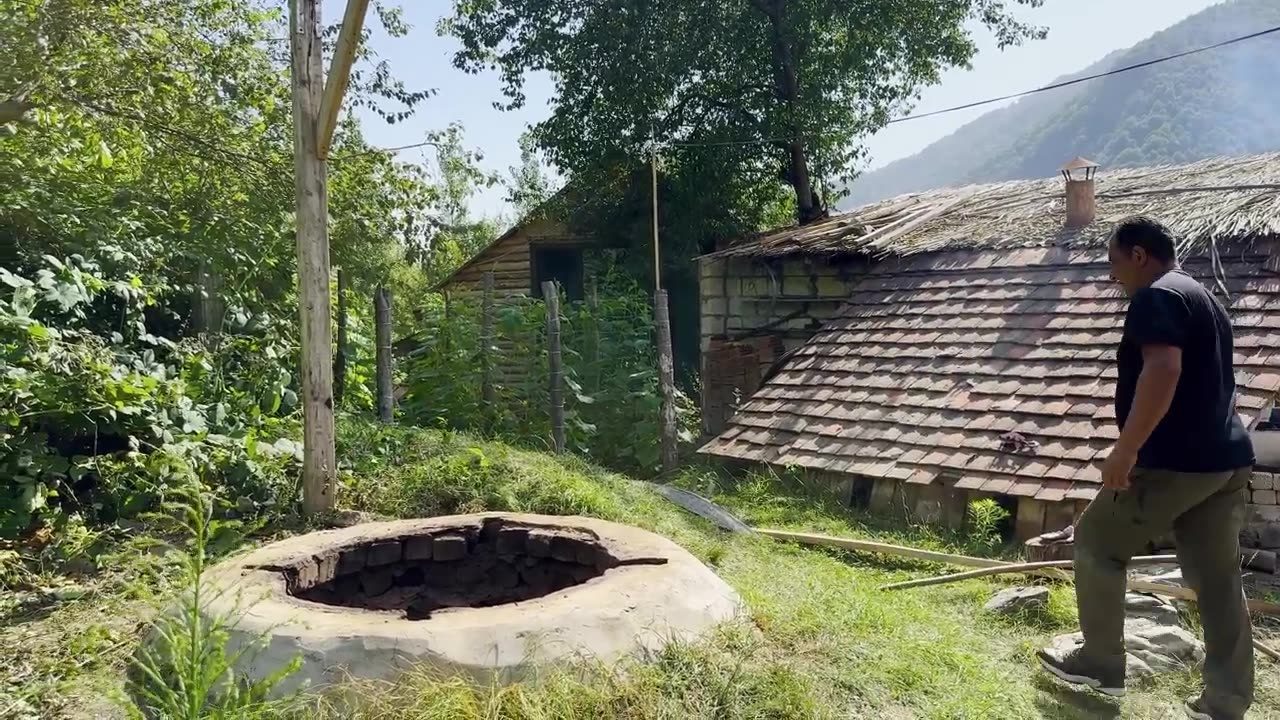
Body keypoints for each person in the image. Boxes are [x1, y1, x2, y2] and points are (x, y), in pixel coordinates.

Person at [1036, 216, 1255, 720]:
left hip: (1175, 462)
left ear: (1138, 256)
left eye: (1114, 261)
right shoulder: (1202, 297)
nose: (1112, 275)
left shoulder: (1156, 296)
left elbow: (1163, 368)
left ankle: (1100, 665)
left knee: (1095, 541)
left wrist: (1127, 449)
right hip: (1225, 462)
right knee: (1220, 581)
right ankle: (1225, 703)